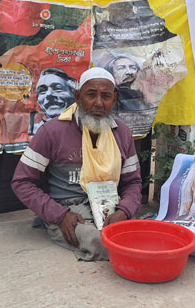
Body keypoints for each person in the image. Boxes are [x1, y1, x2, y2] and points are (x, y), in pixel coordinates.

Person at [11, 67, 142, 261]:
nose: (99, 103)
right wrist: (59, 215)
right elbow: (21, 182)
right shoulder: (52, 132)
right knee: (99, 241)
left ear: (114, 100)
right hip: (70, 211)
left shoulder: (122, 133)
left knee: (141, 235)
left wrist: (124, 210)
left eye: (106, 96)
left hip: (109, 206)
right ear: (78, 97)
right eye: (91, 95)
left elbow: (133, 183)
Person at [31, 68, 77, 134]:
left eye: (58, 88)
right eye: (42, 91)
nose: (49, 94)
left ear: (74, 94)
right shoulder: (37, 133)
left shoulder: (85, 130)